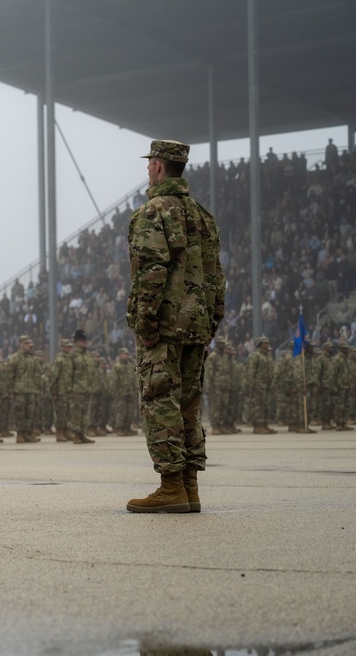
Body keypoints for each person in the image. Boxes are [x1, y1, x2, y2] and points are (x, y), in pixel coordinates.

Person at [125, 139, 224, 514]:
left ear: (158, 167)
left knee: (159, 400)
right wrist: (213, 319)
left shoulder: (153, 212)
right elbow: (217, 275)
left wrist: (145, 320)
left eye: (150, 162)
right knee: (188, 403)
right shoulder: (202, 215)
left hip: (164, 327)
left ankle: (170, 485)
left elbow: (151, 270)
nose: (148, 168)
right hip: (196, 325)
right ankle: (189, 485)